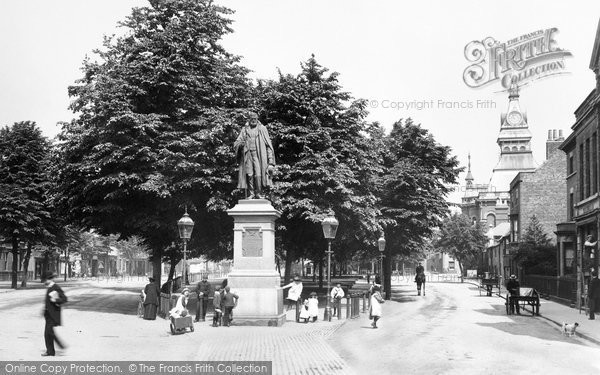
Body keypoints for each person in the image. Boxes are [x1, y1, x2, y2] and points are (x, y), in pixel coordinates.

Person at [234, 112, 275, 199]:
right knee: (249, 174)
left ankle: (259, 193)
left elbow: (268, 146)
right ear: (249, 119)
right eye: (251, 119)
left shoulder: (262, 129)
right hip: (248, 154)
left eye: (255, 119)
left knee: (258, 174)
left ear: (257, 119)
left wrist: (270, 161)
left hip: (258, 155)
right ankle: (251, 193)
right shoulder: (245, 130)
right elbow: (237, 142)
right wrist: (241, 144)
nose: (253, 121)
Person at [42, 271, 67, 356]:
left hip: (53, 314)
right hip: (48, 315)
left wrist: (56, 300)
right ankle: (50, 352)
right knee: (47, 334)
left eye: (45, 280)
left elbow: (64, 299)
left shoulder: (55, 287)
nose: (44, 281)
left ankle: (59, 346)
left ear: (49, 279)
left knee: (49, 332)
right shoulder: (49, 287)